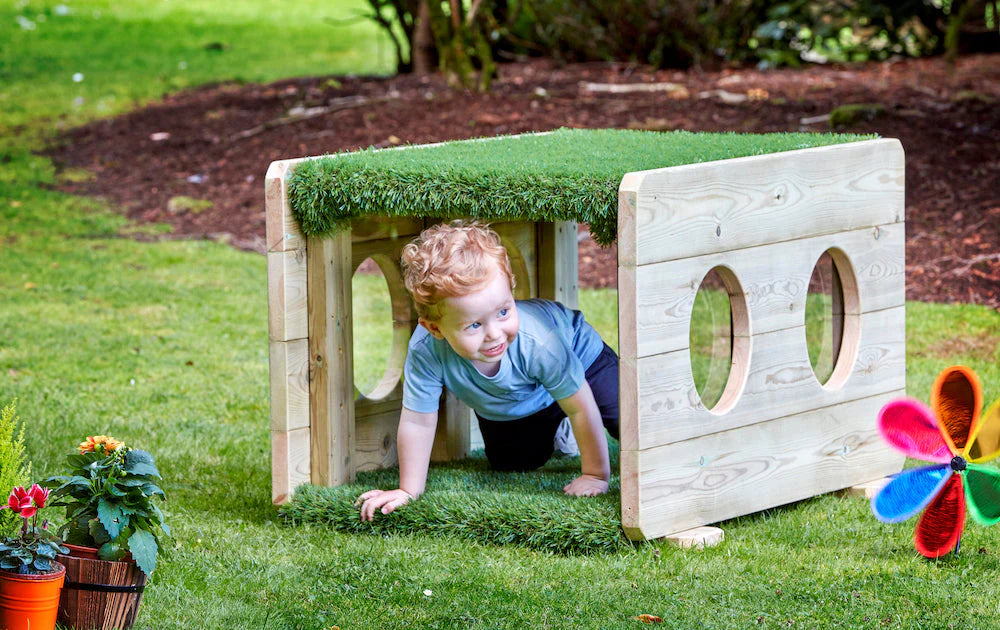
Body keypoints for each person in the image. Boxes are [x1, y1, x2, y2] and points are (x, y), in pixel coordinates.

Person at [357, 221, 619, 521]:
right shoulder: (425, 350)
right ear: (434, 328)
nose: (494, 334)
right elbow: (418, 420)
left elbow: (581, 404)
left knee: (623, 416)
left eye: (504, 311)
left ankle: (569, 418)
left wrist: (596, 475)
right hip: (522, 398)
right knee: (512, 462)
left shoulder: (539, 341)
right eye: (474, 325)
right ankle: (559, 426)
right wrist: (408, 490)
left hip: (581, 360)